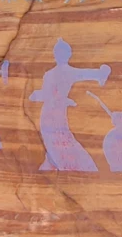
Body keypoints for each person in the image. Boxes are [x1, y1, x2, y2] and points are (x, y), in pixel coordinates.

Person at [31, 39, 110, 172]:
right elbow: (49, 95)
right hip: (53, 115)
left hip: (50, 114)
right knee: (61, 140)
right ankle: (68, 166)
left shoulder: (51, 74)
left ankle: (52, 164)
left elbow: (47, 95)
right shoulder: (61, 73)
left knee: (58, 140)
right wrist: (101, 73)